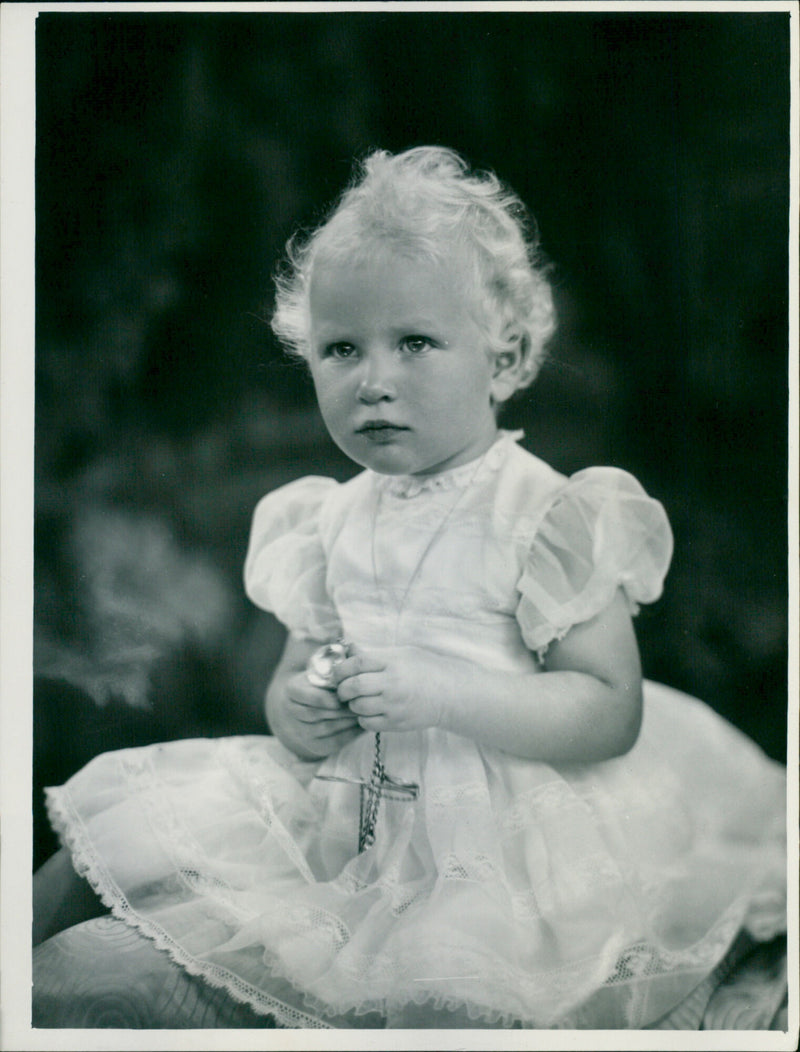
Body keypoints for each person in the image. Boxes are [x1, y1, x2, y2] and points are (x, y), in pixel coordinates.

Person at [33, 147, 786, 1030]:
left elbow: (607, 710)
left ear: (502, 360)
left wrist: (440, 693)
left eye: (415, 342)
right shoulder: (324, 520)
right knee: (101, 856)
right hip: (354, 813)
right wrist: (301, 712)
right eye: (341, 348)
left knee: (448, 987)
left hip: (501, 826)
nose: (374, 380)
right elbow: (293, 679)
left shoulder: (543, 514)